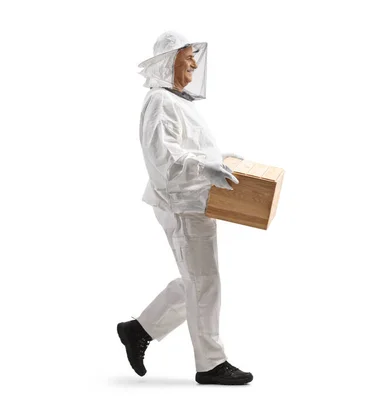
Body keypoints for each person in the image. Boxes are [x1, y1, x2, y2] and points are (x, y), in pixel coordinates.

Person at [116, 31, 253, 385]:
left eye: (194, 56)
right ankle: (211, 364)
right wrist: (203, 166)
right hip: (180, 203)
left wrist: (217, 160)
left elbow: (184, 147)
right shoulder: (159, 100)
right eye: (187, 56)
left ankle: (139, 329)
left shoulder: (178, 102)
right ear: (168, 61)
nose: (194, 62)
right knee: (204, 282)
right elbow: (163, 153)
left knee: (197, 280)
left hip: (196, 200)